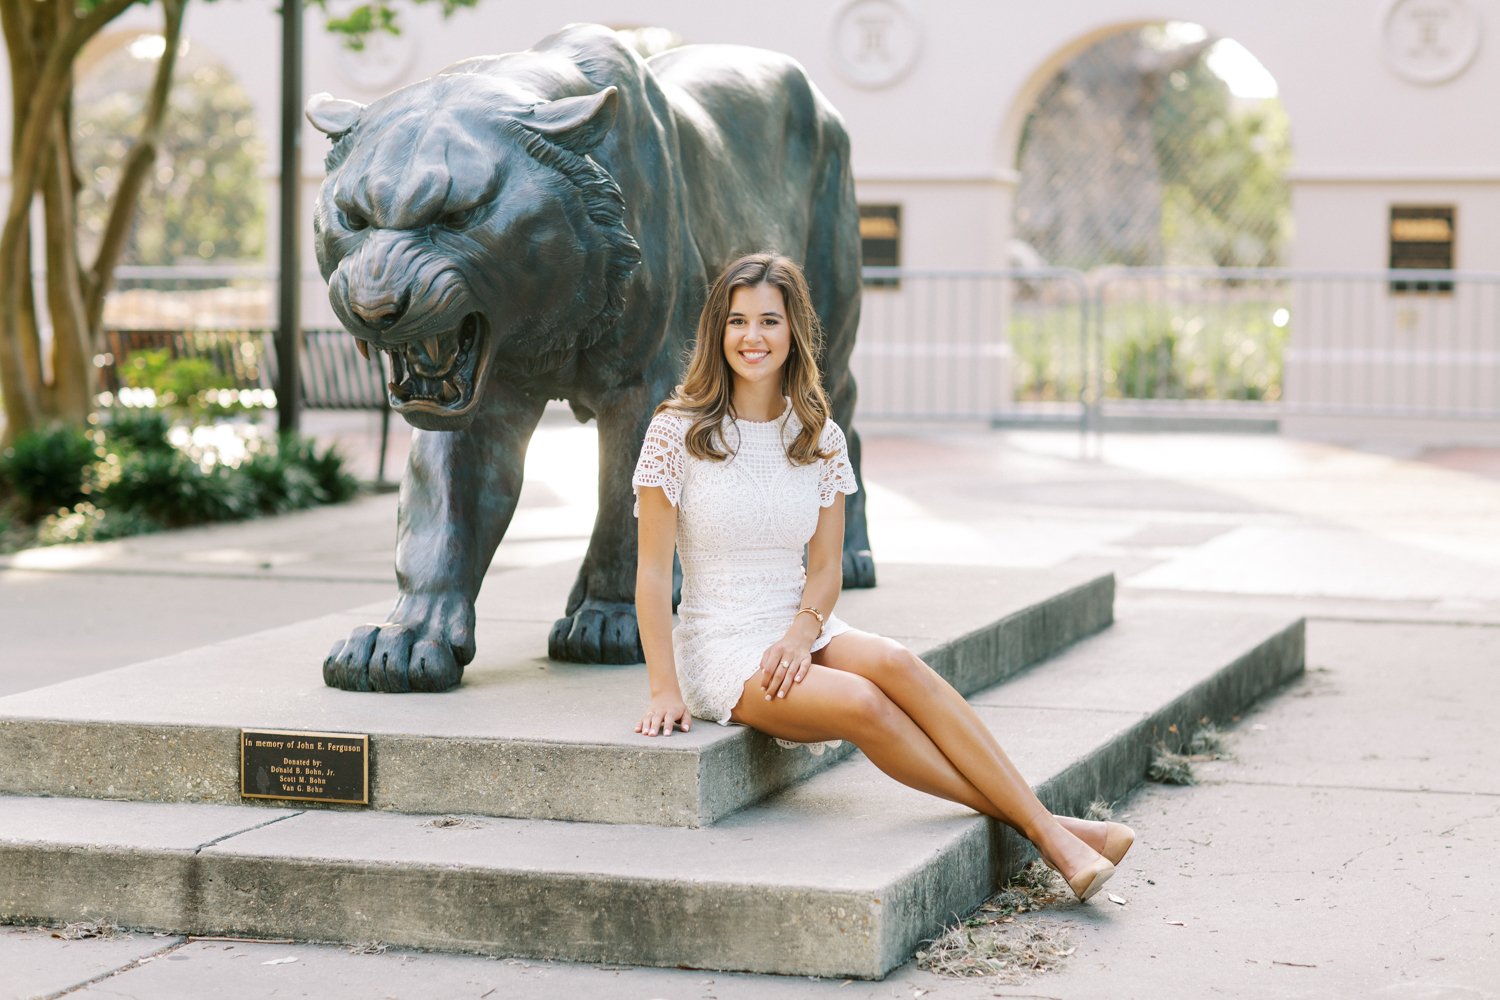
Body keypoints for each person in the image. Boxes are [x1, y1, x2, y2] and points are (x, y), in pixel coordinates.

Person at [631, 252, 1133, 903]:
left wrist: (796, 634)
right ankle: (1052, 831)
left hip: (797, 623)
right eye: (737, 321)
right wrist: (663, 689)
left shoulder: (818, 436)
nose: (752, 337)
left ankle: (1052, 831)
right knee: (865, 703)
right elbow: (649, 571)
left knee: (895, 662)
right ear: (716, 332)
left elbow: (823, 570)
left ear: (794, 332)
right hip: (720, 646)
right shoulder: (678, 432)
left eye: (769, 321)